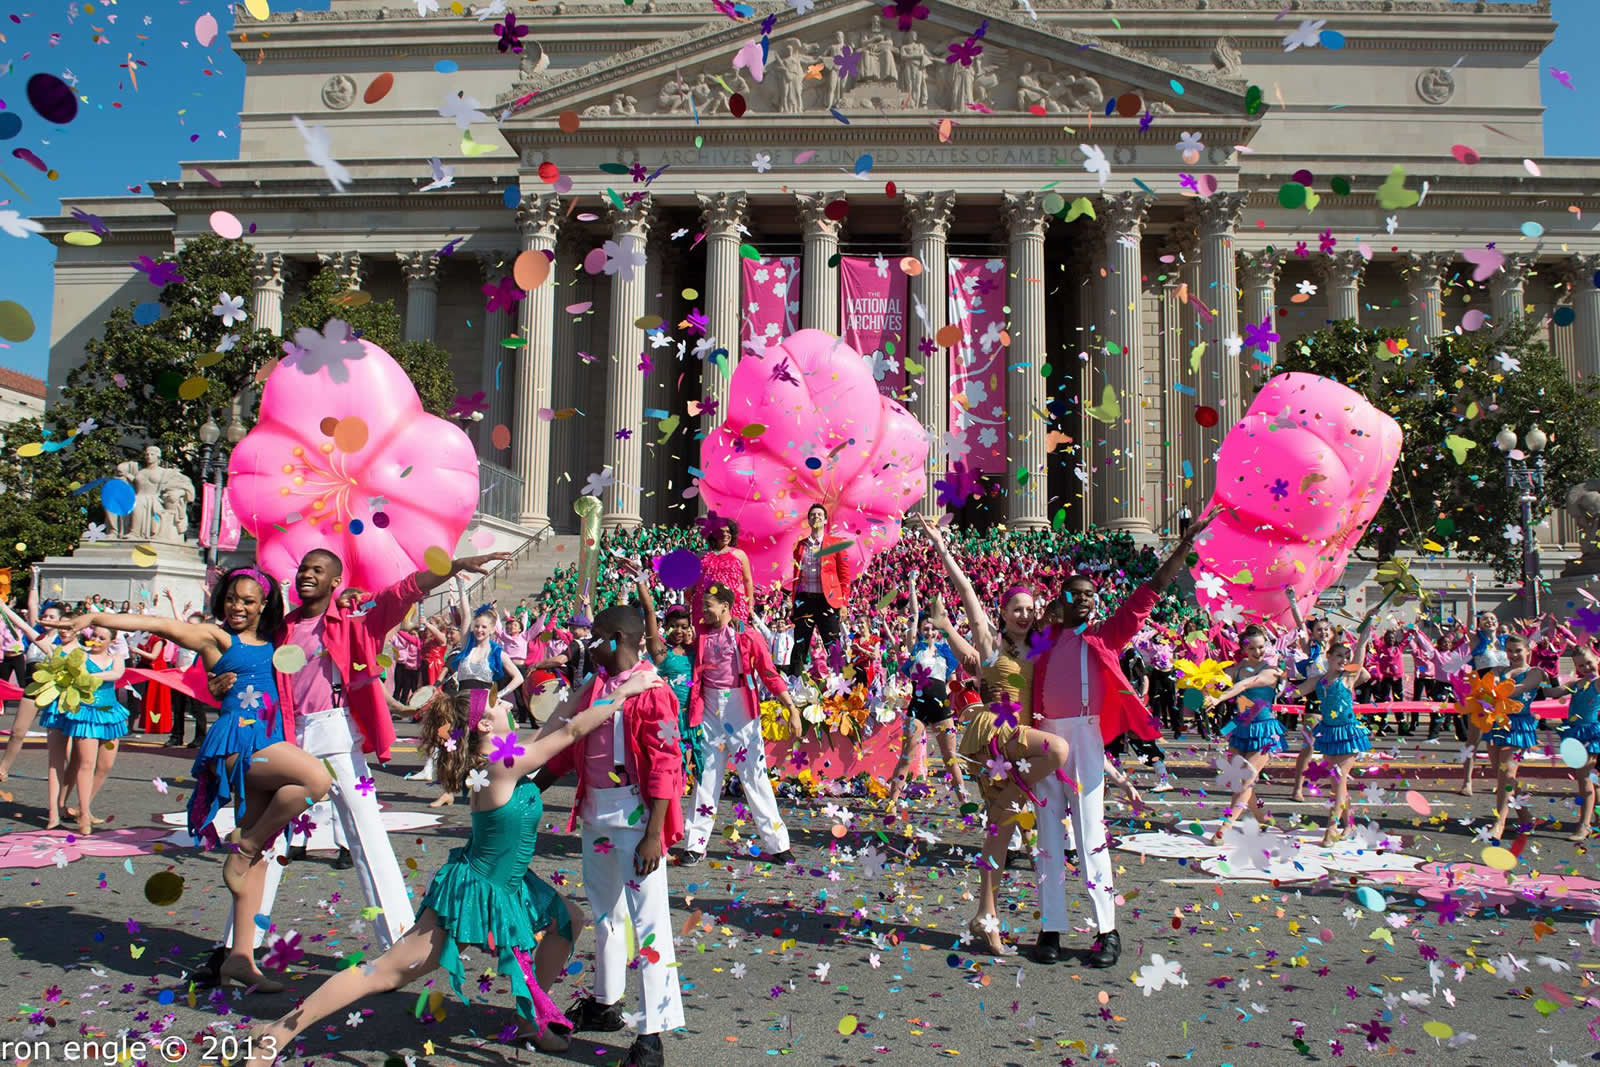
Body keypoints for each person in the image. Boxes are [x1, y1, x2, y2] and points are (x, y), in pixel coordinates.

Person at [242, 681, 646, 1066]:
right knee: (386, 972)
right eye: (497, 703)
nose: (507, 703)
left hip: (510, 883)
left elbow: (558, 719)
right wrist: (623, 693)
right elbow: (571, 729)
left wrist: (594, 682)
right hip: (476, 889)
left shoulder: (503, 752)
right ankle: (276, 1033)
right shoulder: (500, 763)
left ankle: (529, 1019)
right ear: (485, 725)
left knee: (566, 921)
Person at [201, 548, 512, 984]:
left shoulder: (355, 620)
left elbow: (403, 592)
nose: (306, 575)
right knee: (265, 836)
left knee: (366, 835)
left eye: (318, 571)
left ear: (334, 582)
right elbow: (239, 665)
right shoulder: (280, 627)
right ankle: (238, 948)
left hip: (336, 734)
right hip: (283, 736)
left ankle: (400, 945)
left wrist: (453, 566)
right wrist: (217, 683)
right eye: (303, 568)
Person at [58, 568, 333, 992]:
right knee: (315, 779)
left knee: (258, 863)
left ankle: (240, 960)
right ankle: (246, 846)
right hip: (237, 743)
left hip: (267, 738)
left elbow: (314, 619)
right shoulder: (217, 639)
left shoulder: (276, 639)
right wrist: (96, 619)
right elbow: (159, 624)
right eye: (231, 599)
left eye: (247, 601)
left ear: (263, 605)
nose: (237, 607)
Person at [1028, 513, 1214, 969]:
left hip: (1087, 740)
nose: (1088, 601)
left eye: (1092, 595)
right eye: (1078, 595)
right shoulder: (1042, 640)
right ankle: (1050, 929)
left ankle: (1106, 931)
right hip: (1045, 740)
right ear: (1062, 599)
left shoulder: (1105, 635)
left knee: (1092, 835)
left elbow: (1147, 595)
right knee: (1049, 839)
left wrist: (1183, 548)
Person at [535, 603, 686, 1067]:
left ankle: (653, 1034)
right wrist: (530, 786)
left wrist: (653, 834)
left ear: (620, 637)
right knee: (606, 914)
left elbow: (666, 761)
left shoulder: (653, 691)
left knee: (649, 923)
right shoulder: (598, 685)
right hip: (596, 813)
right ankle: (605, 1003)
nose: (588, 644)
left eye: (597, 636)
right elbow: (571, 743)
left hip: (637, 815)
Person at [915, 513, 1071, 958]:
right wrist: (941, 546)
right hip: (995, 733)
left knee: (998, 833)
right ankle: (1014, 794)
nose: (1024, 614)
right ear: (1003, 613)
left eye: (1029, 608)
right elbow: (965, 590)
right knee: (1057, 751)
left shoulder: (1038, 648)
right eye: (1016, 608)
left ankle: (986, 916)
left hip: (1017, 745)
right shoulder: (990, 643)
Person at [677, 582, 802, 867]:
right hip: (708, 709)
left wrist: (792, 709)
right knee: (707, 777)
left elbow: (769, 674)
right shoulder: (701, 636)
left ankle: (778, 844)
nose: (704, 612)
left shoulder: (747, 636)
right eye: (703, 608)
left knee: (754, 776)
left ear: (725, 606)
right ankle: (695, 845)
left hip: (741, 710)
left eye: (709, 607)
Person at [1286, 606, 1380, 845]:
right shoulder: (1318, 680)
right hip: (1328, 733)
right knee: (1339, 782)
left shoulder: (1347, 677)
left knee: (1339, 777)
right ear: (1329, 657)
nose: (1344, 661)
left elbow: (1360, 648)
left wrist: (1368, 619)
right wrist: (1277, 680)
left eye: (1346, 658)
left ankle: (1331, 828)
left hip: (1348, 733)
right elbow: (1294, 693)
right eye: (1339, 656)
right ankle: (1349, 824)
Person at [886, 573, 966, 807]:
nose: (929, 632)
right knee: (906, 755)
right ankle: (892, 800)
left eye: (933, 628)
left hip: (942, 709)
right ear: (920, 630)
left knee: (950, 758)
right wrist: (911, 585)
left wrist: (960, 690)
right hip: (917, 709)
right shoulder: (915, 647)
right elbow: (912, 614)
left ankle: (964, 801)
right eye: (925, 628)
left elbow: (952, 682)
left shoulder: (945, 652)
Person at [624, 560, 702, 787]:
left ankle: (679, 790)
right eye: (674, 626)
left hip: (692, 716)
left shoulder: (695, 651)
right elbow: (649, 612)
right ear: (666, 626)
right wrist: (641, 582)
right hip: (669, 716)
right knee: (670, 762)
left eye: (683, 626)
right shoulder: (660, 652)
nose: (679, 631)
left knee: (688, 758)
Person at [1203, 627, 1286, 841]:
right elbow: (1211, 681)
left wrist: (1219, 698)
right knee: (1240, 778)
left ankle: (1226, 825)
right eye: (1252, 648)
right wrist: (1205, 689)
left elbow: (1246, 684)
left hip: (1265, 729)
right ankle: (1261, 816)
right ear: (1244, 648)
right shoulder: (1236, 668)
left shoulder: (1271, 671)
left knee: (1246, 776)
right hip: (1240, 728)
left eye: (1261, 647)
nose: (1258, 652)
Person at [1484, 633, 1548, 841]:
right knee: (1503, 776)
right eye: (1510, 651)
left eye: (1518, 650)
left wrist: (1494, 691)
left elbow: (1519, 689)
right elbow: (1488, 685)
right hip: (1496, 723)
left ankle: (1499, 823)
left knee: (1506, 774)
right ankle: (1525, 816)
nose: (1513, 655)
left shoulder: (1535, 672)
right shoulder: (1499, 670)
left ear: (1528, 650)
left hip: (1519, 725)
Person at [787, 503, 853, 680]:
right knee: (800, 644)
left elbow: (845, 577)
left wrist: (844, 603)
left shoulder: (836, 544)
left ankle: (842, 684)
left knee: (833, 644)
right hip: (804, 600)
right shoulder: (800, 546)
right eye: (813, 515)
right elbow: (796, 576)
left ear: (825, 520)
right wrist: (793, 603)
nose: (816, 517)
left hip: (828, 601)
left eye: (819, 515)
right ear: (808, 520)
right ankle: (795, 683)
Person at [1550, 645, 1600, 840]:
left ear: (1596, 659)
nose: (1586, 668)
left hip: (1590, 733)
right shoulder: (1576, 684)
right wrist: (1536, 681)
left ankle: (1584, 825)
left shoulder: (1598, 682)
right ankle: (1595, 819)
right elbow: (1554, 692)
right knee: (1591, 782)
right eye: (1581, 665)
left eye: (1589, 663)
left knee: (1584, 778)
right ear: (1576, 667)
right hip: (1575, 734)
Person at [693, 516, 755, 626]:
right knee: (705, 640)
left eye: (728, 531)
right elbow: (692, 583)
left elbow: (748, 581)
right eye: (721, 532)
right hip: (706, 607)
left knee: (735, 638)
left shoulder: (740, 554)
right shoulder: (700, 556)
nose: (725, 534)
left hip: (733, 607)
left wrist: (750, 606)